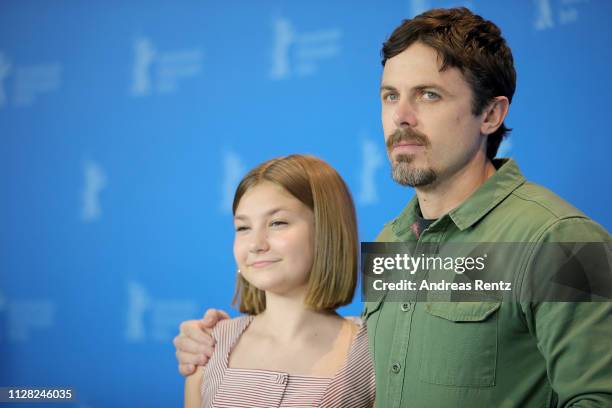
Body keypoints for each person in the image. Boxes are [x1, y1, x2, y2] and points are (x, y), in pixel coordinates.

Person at [176, 7, 612, 407]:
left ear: (491, 115)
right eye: (390, 96)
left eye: (429, 95)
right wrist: (216, 340)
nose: (401, 116)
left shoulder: (562, 241)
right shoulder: (391, 242)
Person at [184, 154, 375, 407]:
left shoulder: (374, 353)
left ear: (326, 230)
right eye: (243, 228)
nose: (256, 244)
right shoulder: (208, 346)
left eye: (277, 223)